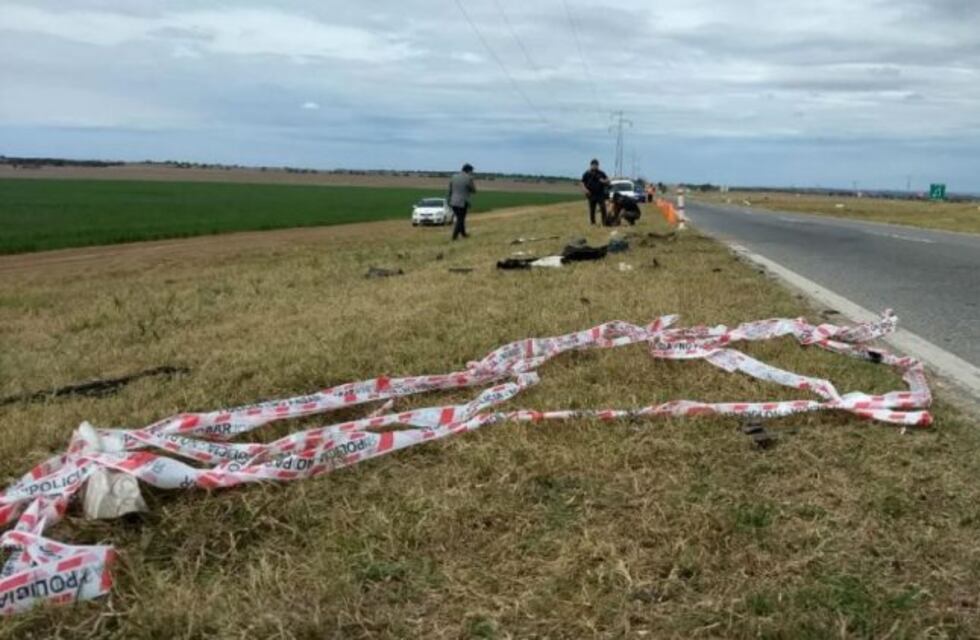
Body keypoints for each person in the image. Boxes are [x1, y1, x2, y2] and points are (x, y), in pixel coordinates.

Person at [447, 163, 477, 240]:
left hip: (453, 201)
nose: (472, 173)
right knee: (460, 219)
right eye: (471, 171)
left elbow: (450, 190)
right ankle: (454, 237)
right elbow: (474, 190)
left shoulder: (453, 177)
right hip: (462, 202)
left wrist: (449, 199)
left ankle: (463, 234)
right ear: (468, 170)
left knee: (461, 218)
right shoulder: (468, 178)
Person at [581, 158, 609, 226]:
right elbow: (582, 182)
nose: (594, 166)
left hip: (600, 194)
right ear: (591, 165)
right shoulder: (587, 173)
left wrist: (604, 181)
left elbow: (608, 180)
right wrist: (585, 189)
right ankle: (593, 223)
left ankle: (604, 222)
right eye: (593, 165)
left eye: (596, 165)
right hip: (591, 194)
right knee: (592, 209)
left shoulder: (601, 173)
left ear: (598, 165)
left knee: (603, 208)